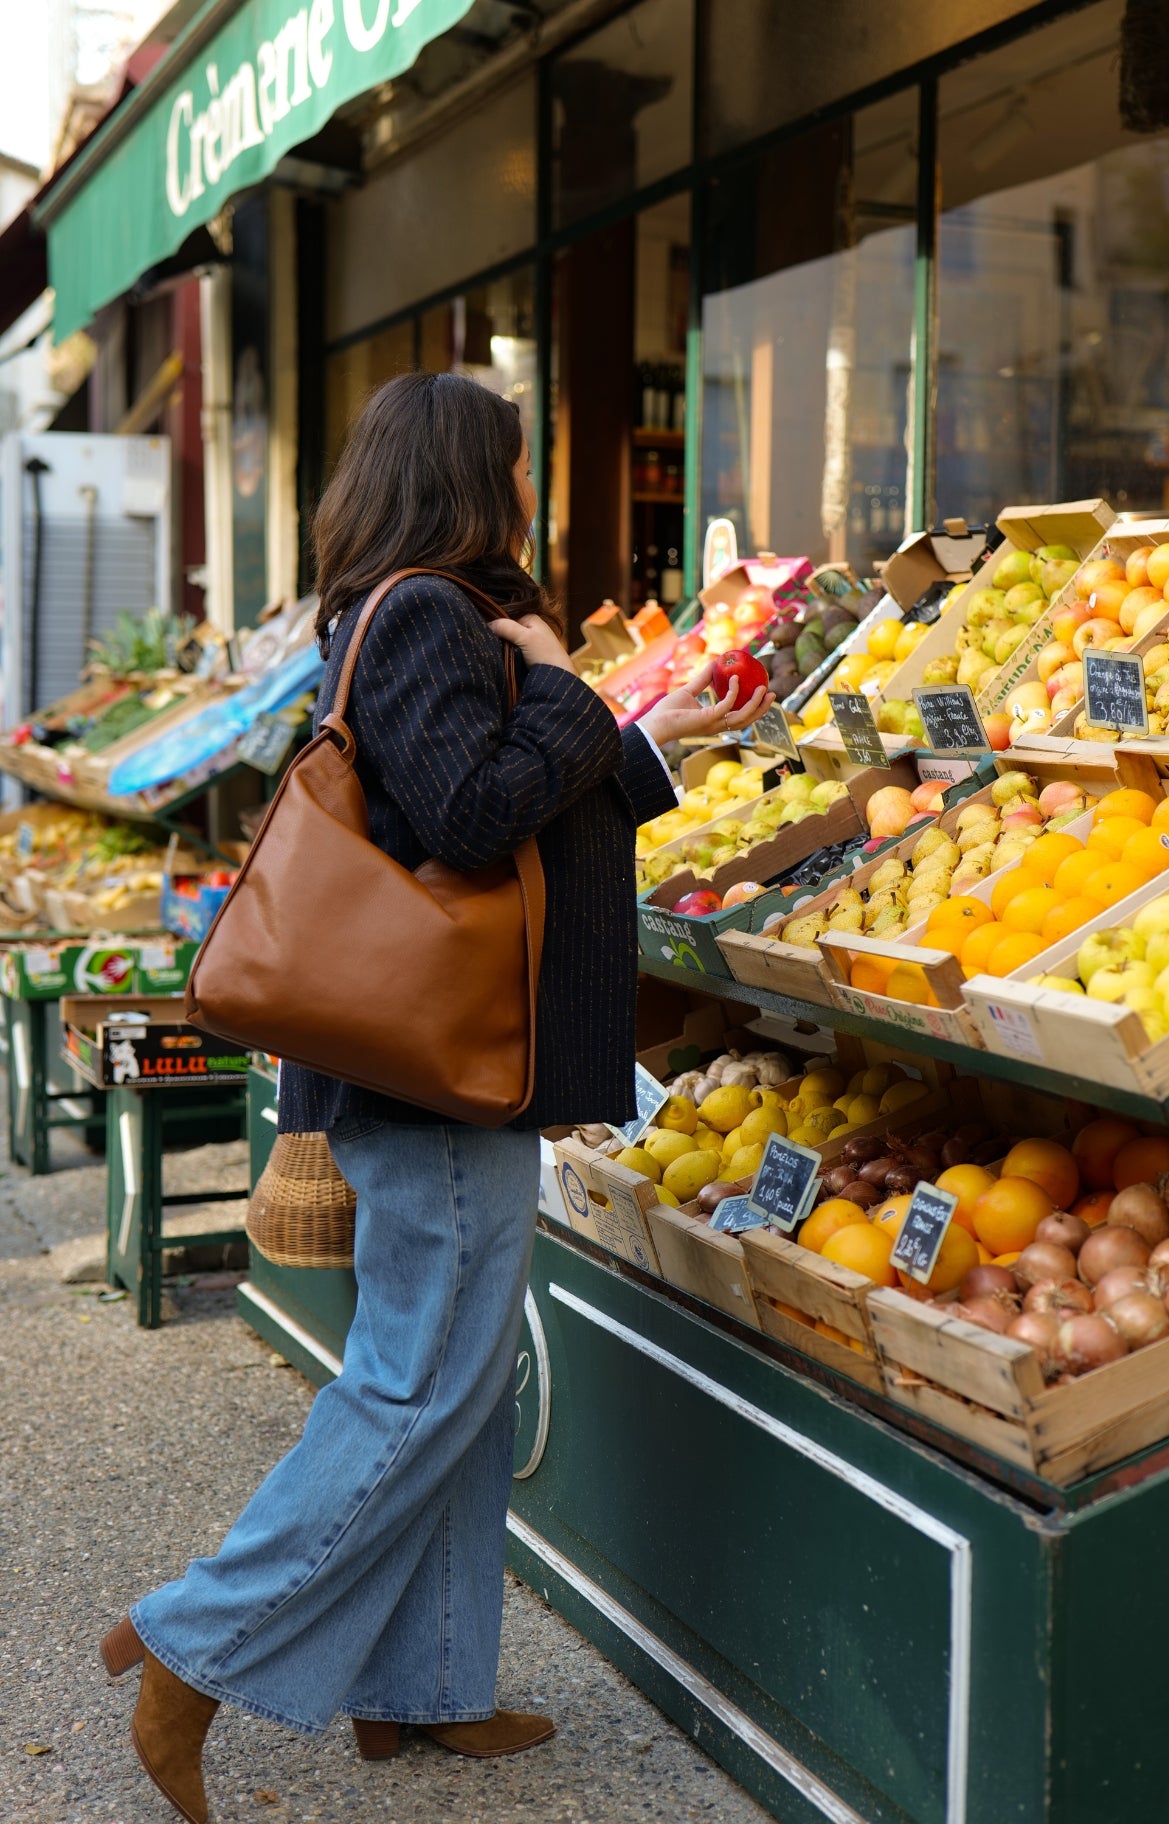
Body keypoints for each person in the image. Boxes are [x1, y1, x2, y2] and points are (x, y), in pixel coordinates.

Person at [101, 371, 772, 1824]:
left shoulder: (441, 614)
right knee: (416, 1393)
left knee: (461, 1398)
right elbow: (473, 813)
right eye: (517, 466)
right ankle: (190, 1645)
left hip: (469, 1067)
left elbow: (530, 793)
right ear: (473, 474)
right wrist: (568, 689)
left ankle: (427, 1688)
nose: (530, 491)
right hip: (440, 1074)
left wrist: (622, 726)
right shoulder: (418, 616)